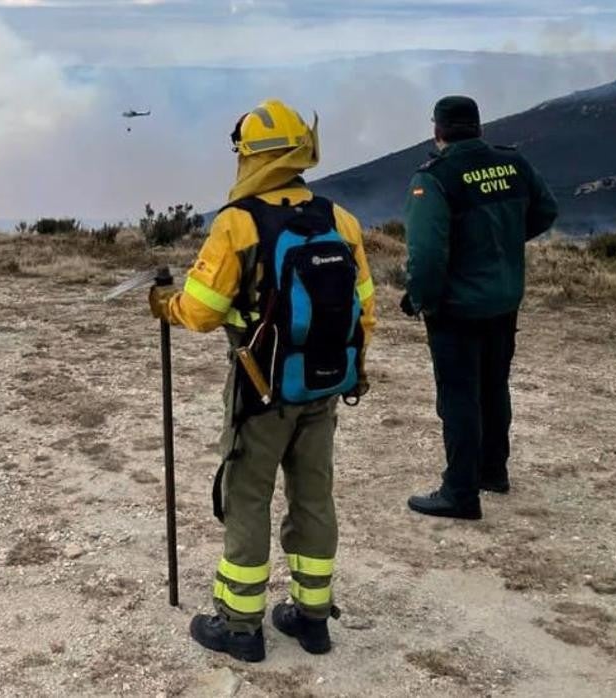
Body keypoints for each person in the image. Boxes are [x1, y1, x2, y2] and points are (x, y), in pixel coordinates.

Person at [149, 99, 377, 662]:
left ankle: (240, 626)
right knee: (314, 497)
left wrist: (165, 305)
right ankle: (312, 618)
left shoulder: (238, 223)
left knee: (247, 497)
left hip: (260, 389)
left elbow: (201, 312)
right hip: (322, 387)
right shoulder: (339, 219)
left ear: (250, 157)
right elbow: (365, 313)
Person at [400, 95, 558, 521]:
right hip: (504, 300)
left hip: (457, 307)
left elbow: (428, 254)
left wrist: (420, 299)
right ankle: (493, 471)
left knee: (458, 397)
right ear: (479, 127)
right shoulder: (513, 164)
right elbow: (546, 211)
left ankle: (460, 492)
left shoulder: (434, 178)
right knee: (493, 384)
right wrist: (499, 245)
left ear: (438, 129)